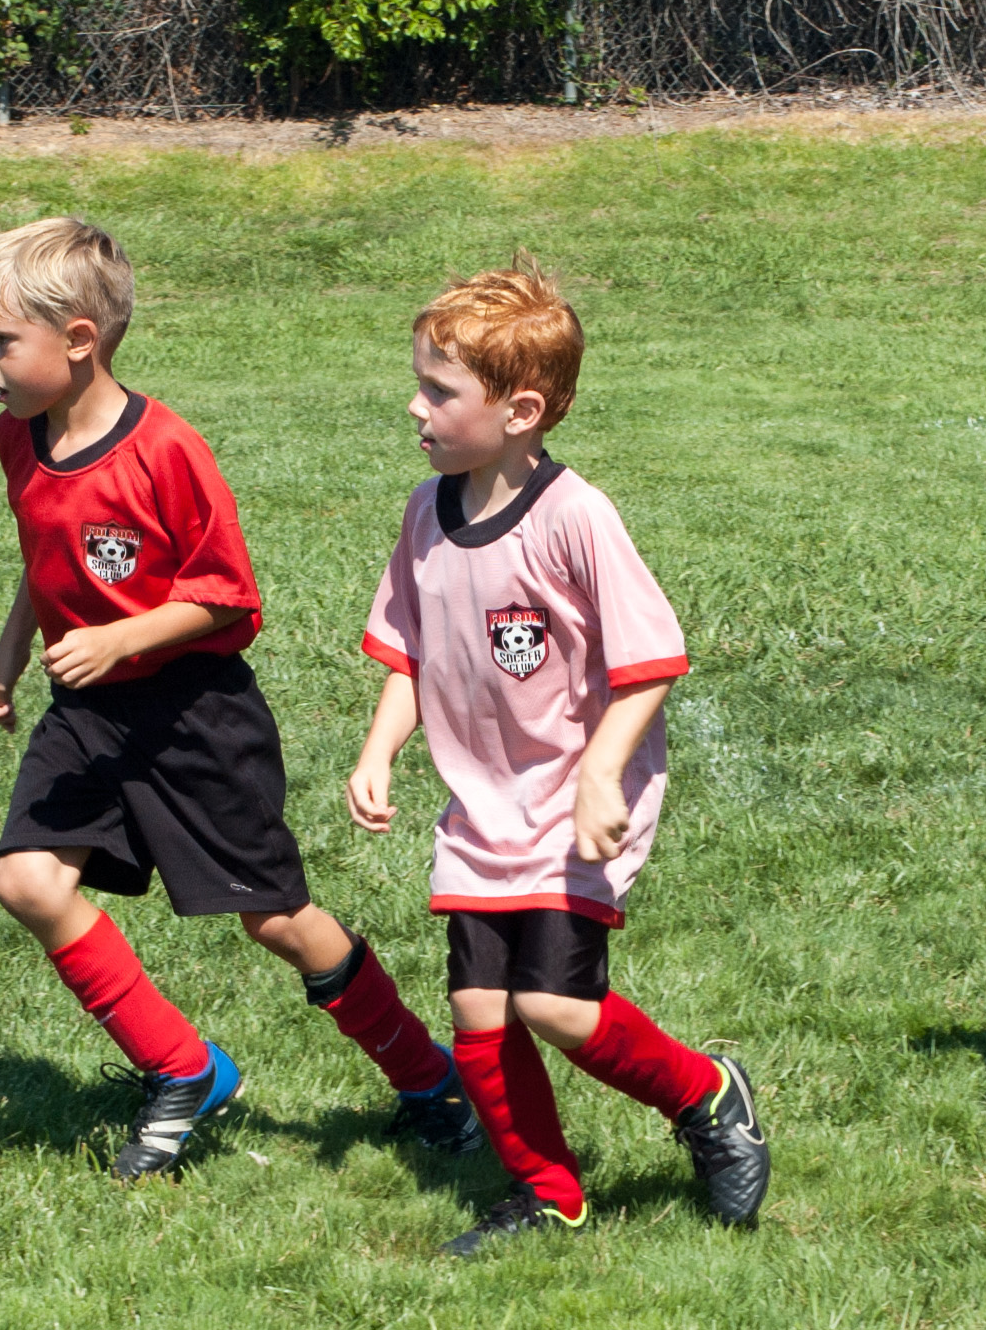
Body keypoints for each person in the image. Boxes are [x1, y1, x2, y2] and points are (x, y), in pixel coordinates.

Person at [0, 217, 479, 1182]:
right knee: (29, 881)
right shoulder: (17, 437)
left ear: (78, 339)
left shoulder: (165, 450)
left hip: (194, 714)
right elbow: (44, 557)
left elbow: (230, 598)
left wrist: (121, 635)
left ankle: (427, 1076)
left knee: (276, 919)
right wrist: (10, 650)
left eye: (0, 341)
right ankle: (181, 1067)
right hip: (88, 714)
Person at [347, 259, 769, 1257]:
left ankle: (707, 1095)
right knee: (478, 1013)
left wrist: (598, 774)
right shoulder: (425, 512)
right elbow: (408, 651)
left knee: (556, 1006)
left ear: (520, 410)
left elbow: (649, 664)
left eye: (438, 391)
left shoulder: (575, 515)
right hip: (482, 811)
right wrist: (378, 750)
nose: (415, 407)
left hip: (576, 805)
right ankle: (548, 1192)